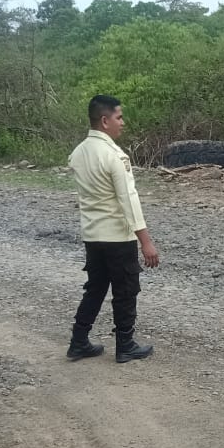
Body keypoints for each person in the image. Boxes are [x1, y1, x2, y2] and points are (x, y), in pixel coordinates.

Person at [65, 95, 159, 363]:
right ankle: (125, 344)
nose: (123, 122)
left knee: (95, 288)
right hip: (117, 236)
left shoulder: (79, 152)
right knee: (126, 290)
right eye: (119, 117)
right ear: (105, 121)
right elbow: (128, 201)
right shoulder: (115, 156)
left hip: (93, 236)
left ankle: (79, 341)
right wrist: (146, 241)